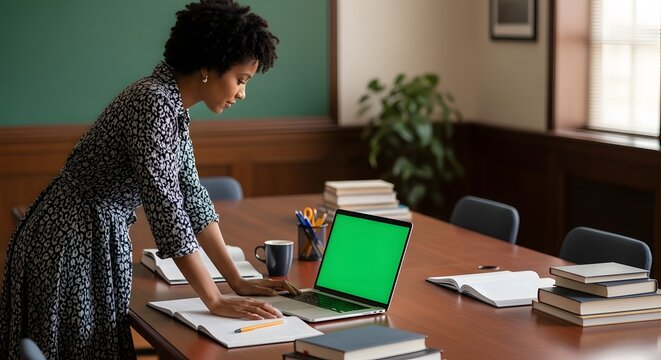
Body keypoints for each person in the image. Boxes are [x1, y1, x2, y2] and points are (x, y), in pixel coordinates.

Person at [0, 1, 299, 358]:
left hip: (90, 233)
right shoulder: (153, 102)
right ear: (208, 66)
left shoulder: (172, 104)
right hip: (70, 241)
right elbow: (168, 211)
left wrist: (235, 280)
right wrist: (214, 298)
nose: (242, 93)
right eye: (240, 79)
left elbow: (192, 197)